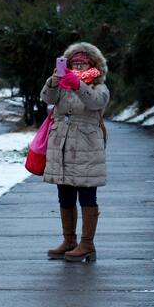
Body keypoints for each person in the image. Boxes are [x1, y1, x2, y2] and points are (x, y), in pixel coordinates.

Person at [40, 42, 109, 262]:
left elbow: (95, 103)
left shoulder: (100, 87)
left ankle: (87, 244)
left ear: (93, 64)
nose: (78, 66)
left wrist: (78, 84)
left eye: (83, 63)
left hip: (87, 146)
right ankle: (69, 240)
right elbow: (47, 99)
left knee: (87, 194)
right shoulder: (63, 84)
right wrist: (53, 82)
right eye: (74, 63)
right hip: (61, 144)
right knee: (65, 194)